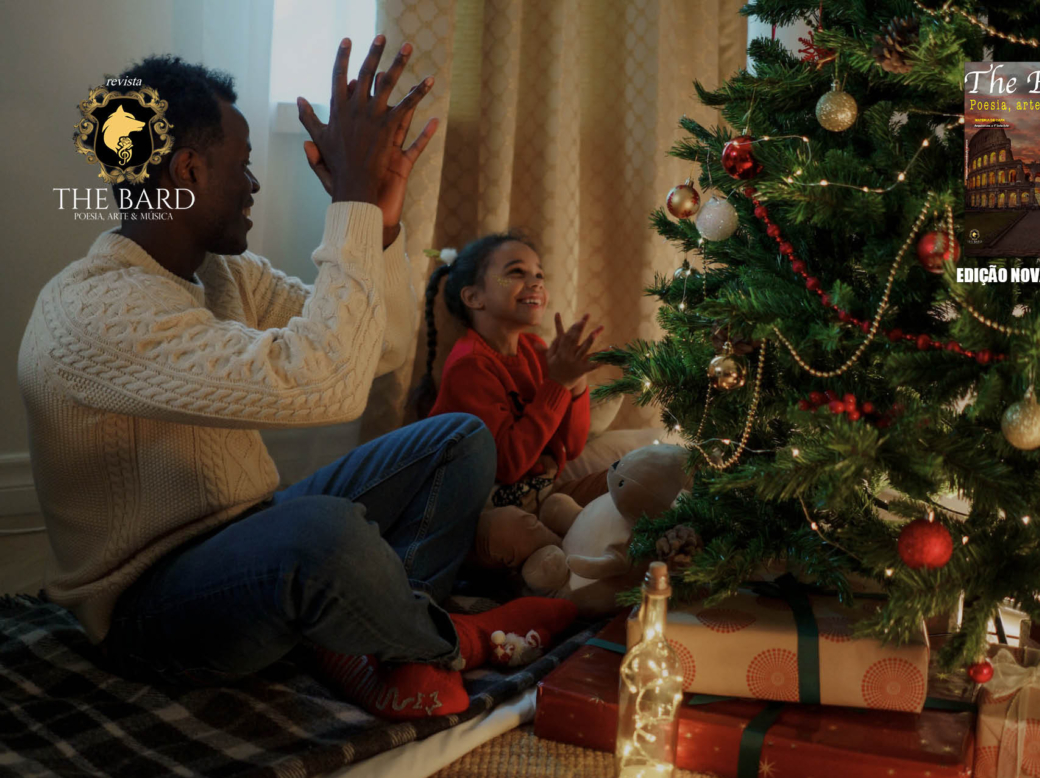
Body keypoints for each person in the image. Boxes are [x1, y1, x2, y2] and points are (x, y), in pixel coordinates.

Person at [18, 36, 576, 721]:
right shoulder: (95, 309)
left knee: (456, 439)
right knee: (325, 531)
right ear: (187, 168)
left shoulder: (225, 274)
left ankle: (382, 644)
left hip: (251, 532)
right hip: (151, 608)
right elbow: (328, 386)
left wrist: (382, 220)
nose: (254, 185)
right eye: (243, 165)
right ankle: (445, 639)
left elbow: (382, 348)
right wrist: (350, 199)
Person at [412, 234, 610, 511]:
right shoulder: (469, 366)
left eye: (539, 273)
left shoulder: (535, 350)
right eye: (516, 272)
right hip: (490, 507)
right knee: (519, 529)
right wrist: (557, 383)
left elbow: (571, 447)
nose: (537, 282)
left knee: (632, 475)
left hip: (544, 494)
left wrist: (574, 380)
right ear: (474, 297)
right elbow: (507, 466)